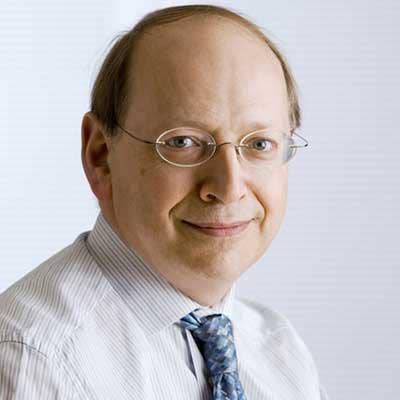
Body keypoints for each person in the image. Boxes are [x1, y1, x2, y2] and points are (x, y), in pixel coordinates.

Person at [0, 4, 329, 399]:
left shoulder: (281, 352)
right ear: (100, 155)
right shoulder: (35, 357)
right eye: (183, 142)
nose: (228, 187)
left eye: (259, 144)